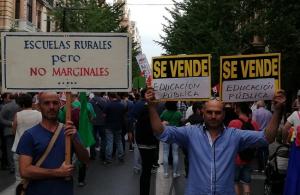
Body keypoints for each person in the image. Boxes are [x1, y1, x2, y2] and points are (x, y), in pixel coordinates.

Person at [145, 88, 285, 194]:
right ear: (203, 113)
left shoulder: (234, 136)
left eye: (217, 112)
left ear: (223, 114)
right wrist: (151, 107)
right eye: (210, 112)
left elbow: (267, 137)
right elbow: (161, 132)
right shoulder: (190, 133)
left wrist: (277, 111)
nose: (213, 116)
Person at [16, 92, 89, 195]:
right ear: (38, 106)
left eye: (55, 103)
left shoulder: (69, 131)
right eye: (46, 103)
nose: (51, 107)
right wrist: (58, 172)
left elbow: (85, 160)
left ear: (60, 105)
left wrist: (75, 139)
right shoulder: (29, 135)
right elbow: (24, 171)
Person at [128, 88, 159, 195]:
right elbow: (131, 118)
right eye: (149, 92)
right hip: (145, 140)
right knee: (146, 171)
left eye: (153, 92)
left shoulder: (154, 104)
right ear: (143, 95)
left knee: (147, 170)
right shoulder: (141, 105)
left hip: (151, 139)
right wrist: (130, 131)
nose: (152, 94)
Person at [228, 102, 260, 195]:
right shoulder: (254, 124)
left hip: (235, 158)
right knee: (246, 183)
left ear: (238, 109)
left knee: (235, 182)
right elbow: (257, 141)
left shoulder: (233, 123)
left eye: (235, 107)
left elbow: (229, 141)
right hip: (248, 158)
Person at [12, 93, 42, 181]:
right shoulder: (39, 114)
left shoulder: (18, 115)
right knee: (36, 175)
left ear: (21, 104)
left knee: (19, 177)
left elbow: (14, 130)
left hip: (19, 148)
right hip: (36, 148)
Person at [160, 101, 183, 178]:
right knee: (175, 153)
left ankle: (166, 173)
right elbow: (181, 121)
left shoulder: (164, 112)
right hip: (176, 133)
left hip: (166, 133)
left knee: (165, 153)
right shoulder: (178, 113)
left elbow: (160, 120)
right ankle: (175, 173)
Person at [0, 93, 19, 173]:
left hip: (8, 130)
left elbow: (1, 119)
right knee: (18, 148)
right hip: (18, 129)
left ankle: (12, 167)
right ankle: (19, 165)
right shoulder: (20, 106)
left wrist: (11, 123)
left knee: (9, 149)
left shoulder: (5, 107)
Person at [283, 109, 300, 194]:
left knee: (294, 173)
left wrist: (285, 141)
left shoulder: (295, 114)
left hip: (297, 149)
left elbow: (285, 128)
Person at [252, 100, 272, 172]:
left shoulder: (255, 112)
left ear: (258, 105)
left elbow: (253, 123)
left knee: (259, 150)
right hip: (267, 132)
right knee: (265, 149)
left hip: (258, 132)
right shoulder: (269, 113)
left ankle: (260, 167)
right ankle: (265, 166)